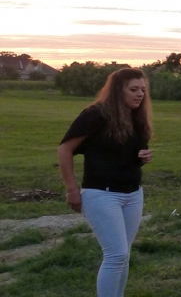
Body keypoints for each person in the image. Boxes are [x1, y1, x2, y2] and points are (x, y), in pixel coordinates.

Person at [57, 68, 153, 297]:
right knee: (116, 255)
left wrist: (142, 157)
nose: (140, 94)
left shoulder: (136, 117)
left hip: (133, 194)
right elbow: (65, 149)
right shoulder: (96, 114)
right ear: (118, 90)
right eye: (133, 90)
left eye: (142, 90)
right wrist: (71, 190)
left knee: (123, 255)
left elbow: (124, 155)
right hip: (101, 194)